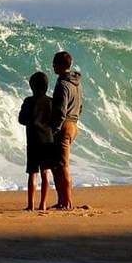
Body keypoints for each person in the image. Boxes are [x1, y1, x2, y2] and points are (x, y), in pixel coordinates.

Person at [50, 51, 83, 209]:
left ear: (60, 65)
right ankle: (62, 200)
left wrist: (55, 129)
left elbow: (61, 111)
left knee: (62, 166)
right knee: (57, 166)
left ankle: (67, 202)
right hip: (73, 124)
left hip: (64, 125)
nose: (52, 66)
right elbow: (80, 107)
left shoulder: (62, 84)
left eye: (54, 63)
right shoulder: (77, 84)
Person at [18, 71, 54, 211]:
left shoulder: (28, 101)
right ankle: (43, 204)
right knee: (45, 172)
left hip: (33, 140)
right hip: (47, 140)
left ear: (32, 86)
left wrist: (31, 121)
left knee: (33, 173)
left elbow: (21, 119)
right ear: (46, 86)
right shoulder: (50, 102)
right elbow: (55, 120)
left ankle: (31, 205)